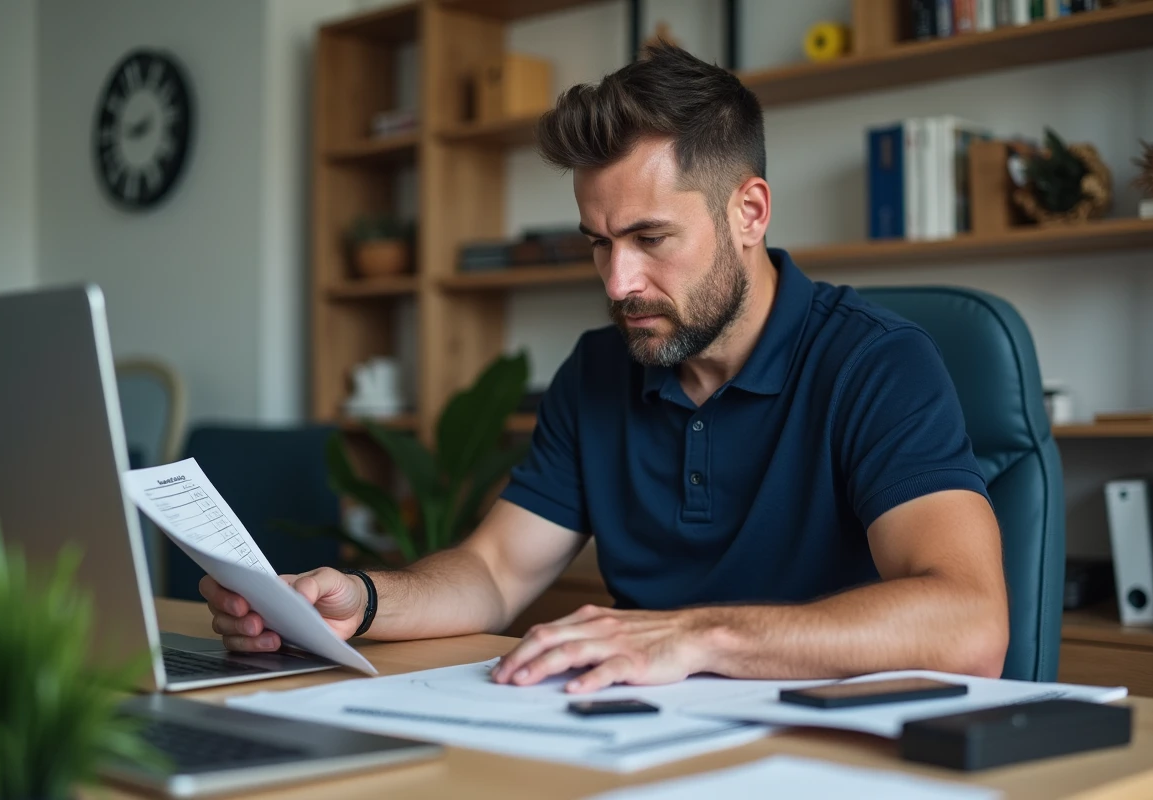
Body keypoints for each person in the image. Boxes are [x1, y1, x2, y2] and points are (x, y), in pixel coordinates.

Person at [201, 43, 1008, 693]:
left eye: (651, 239)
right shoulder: (598, 370)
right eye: (599, 243)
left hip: (827, 748)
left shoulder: (876, 363)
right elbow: (494, 571)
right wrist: (363, 600)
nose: (618, 283)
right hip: (634, 736)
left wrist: (698, 635)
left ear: (749, 212)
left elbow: (971, 625)